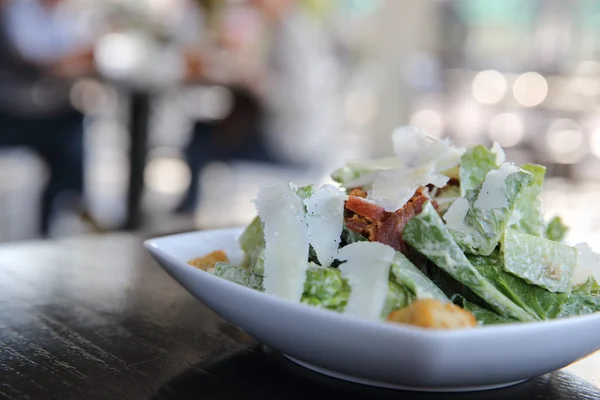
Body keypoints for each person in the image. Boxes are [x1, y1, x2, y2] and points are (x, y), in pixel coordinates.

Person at [0, 0, 96, 236]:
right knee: (69, 143)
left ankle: (64, 205)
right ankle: (71, 199)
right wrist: (68, 61)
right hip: (14, 110)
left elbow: (79, 56)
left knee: (74, 130)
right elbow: (35, 58)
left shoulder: (66, 16)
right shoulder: (20, 12)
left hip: (46, 107)